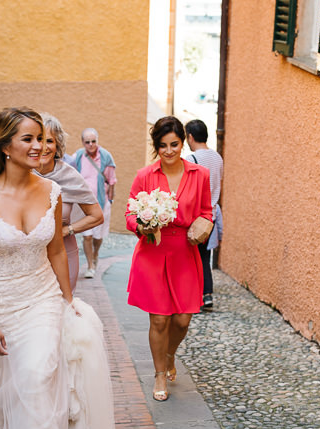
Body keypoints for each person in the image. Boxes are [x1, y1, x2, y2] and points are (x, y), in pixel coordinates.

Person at [0, 107, 117, 429]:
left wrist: (68, 301)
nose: (37, 146)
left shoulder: (52, 192)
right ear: (5, 145)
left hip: (43, 296)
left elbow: (56, 254)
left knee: (38, 371)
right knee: (11, 386)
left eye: (40, 138)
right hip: (2, 302)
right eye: (27, 139)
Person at [126, 116, 212, 401]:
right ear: (156, 146)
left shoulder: (199, 174)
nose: (169, 151)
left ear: (183, 141)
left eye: (174, 144)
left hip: (184, 252)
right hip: (153, 251)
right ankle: (159, 373)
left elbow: (206, 211)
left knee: (183, 320)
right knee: (160, 320)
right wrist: (141, 225)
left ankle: (170, 354)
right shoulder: (145, 175)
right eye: (162, 146)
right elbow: (129, 213)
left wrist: (203, 226)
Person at [36, 114, 104, 290]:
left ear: (58, 144)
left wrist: (67, 230)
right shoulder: (21, 175)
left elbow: (96, 216)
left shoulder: (69, 175)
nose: (43, 147)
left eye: (49, 141)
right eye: (38, 140)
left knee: (62, 307)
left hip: (64, 252)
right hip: (30, 256)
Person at [186, 119, 224, 311]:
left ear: (190, 137)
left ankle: (196, 296)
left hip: (196, 216)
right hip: (212, 215)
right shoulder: (218, 158)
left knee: (193, 258)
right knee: (204, 257)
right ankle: (207, 294)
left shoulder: (191, 159)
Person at [73, 128, 116, 278]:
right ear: (82, 143)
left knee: (98, 236)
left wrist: (110, 200)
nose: (91, 145)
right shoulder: (77, 156)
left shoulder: (106, 157)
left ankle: (95, 254)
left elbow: (111, 181)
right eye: (87, 142)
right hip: (84, 204)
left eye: (93, 141)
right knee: (87, 236)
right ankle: (90, 266)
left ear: (97, 141)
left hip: (102, 203)